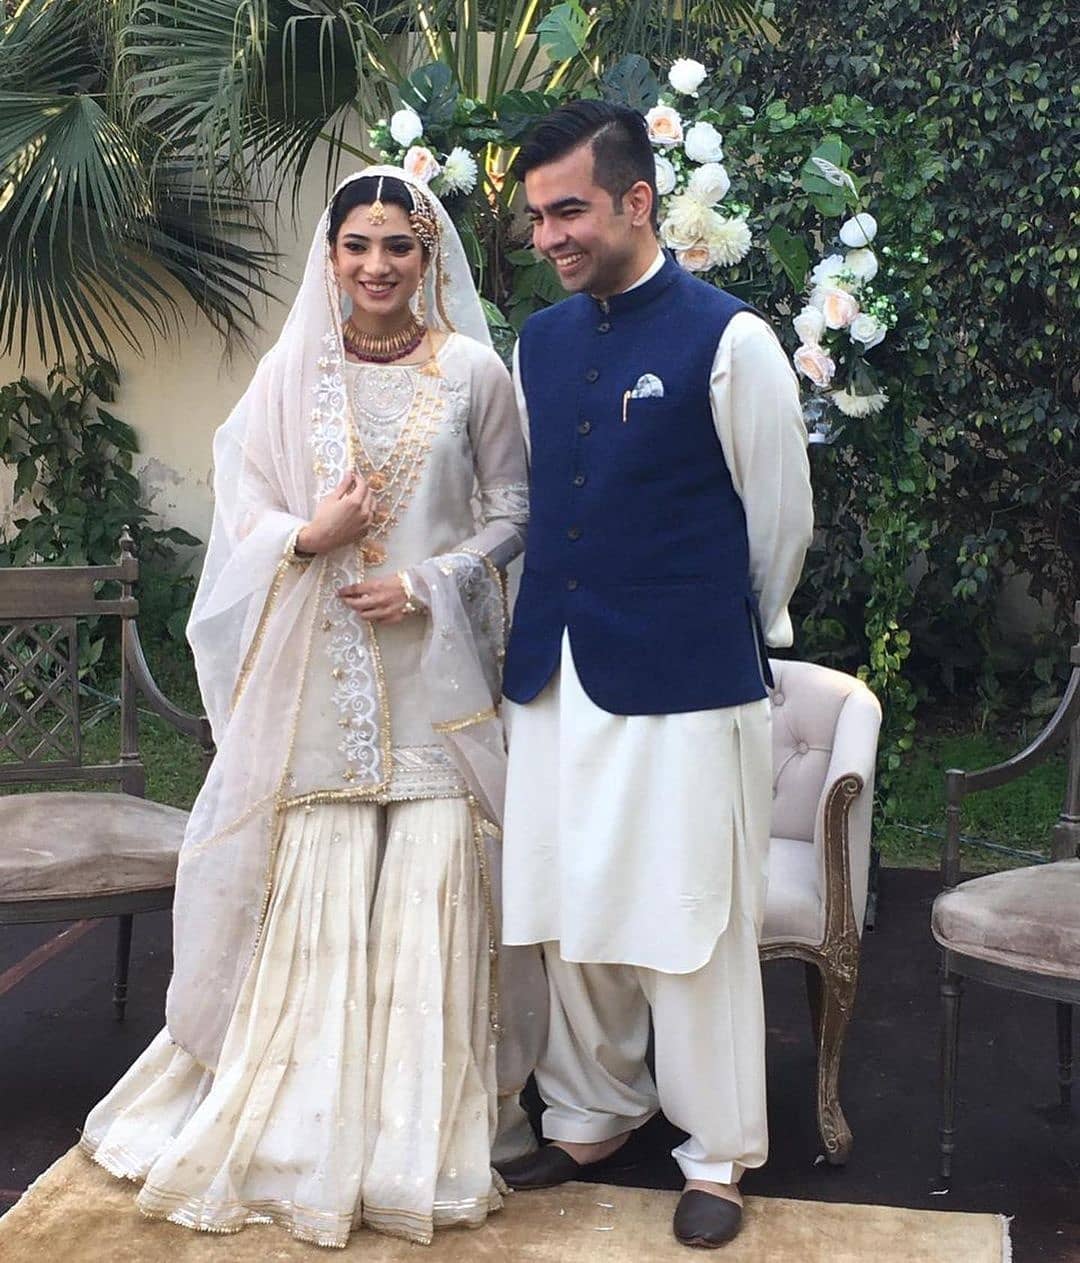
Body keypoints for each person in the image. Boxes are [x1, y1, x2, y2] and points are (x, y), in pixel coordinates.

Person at [80, 167, 546, 1248]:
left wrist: (430, 581)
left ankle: (416, 1136)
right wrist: (308, 536)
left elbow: (514, 511)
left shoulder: (475, 373)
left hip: (435, 677)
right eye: (358, 247)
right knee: (320, 878)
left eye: (400, 246)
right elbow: (241, 499)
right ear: (329, 258)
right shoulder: (294, 374)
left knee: (435, 877)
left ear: (430, 259)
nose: (379, 266)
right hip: (319, 682)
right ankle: (301, 1133)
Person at [496, 102, 814, 1249]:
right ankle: (591, 1109)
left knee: (691, 919)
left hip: (688, 676)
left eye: (568, 209)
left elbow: (779, 523)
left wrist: (730, 627)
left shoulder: (732, 341)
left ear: (638, 201)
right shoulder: (538, 341)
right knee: (565, 902)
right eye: (537, 217)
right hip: (553, 673)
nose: (549, 237)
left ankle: (718, 1151)